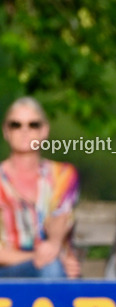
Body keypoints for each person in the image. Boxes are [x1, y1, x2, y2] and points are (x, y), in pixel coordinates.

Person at [0, 96, 80, 278]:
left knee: (57, 268)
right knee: (52, 267)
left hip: (56, 264)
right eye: (16, 125)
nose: (25, 131)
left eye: (33, 125)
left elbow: (60, 218)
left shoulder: (63, 175)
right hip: (6, 272)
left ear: (44, 130)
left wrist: (54, 246)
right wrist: (39, 257)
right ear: (6, 131)